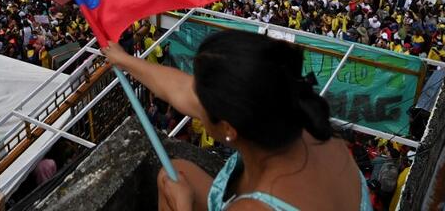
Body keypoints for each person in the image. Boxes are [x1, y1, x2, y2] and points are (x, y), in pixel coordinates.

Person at [104, 30, 373, 211]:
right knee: (171, 172)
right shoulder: (305, 124)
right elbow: (180, 90)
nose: (193, 97)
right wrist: (124, 60)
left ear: (229, 128)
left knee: (175, 184)